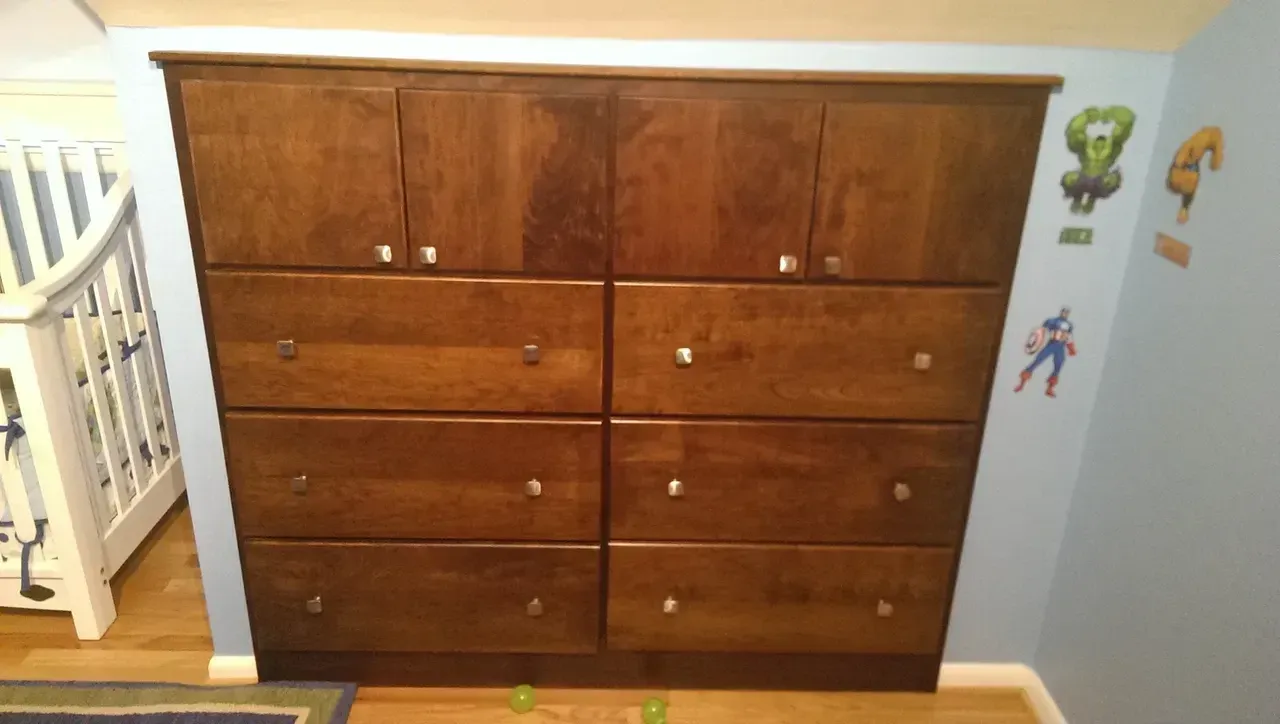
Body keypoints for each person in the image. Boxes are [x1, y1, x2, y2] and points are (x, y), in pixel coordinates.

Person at [1015, 307, 1076, 398]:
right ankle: (1021, 384)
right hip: (1051, 345)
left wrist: (1071, 349)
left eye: (1067, 313)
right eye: (1064, 312)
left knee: (1058, 366)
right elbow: (1040, 333)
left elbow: (1069, 337)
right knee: (1036, 362)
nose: (1065, 314)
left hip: (1060, 347)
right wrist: (1033, 343)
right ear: (1061, 312)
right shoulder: (1051, 321)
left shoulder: (1069, 325)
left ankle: (1049, 389)